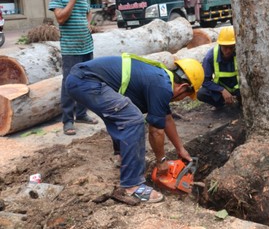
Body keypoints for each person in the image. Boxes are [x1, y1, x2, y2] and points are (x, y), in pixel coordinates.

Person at [65, 53, 204, 203]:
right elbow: (156, 130)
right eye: (184, 97)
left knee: (122, 113)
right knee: (133, 119)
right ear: (183, 87)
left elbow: (166, 118)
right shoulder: (161, 86)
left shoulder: (161, 79)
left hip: (81, 78)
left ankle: (122, 156)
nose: (180, 100)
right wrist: (161, 160)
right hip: (86, 81)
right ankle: (132, 186)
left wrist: (180, 149)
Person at [49, 0, 96, 135]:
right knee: (69, 83)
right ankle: (67, 120)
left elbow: (88, 12)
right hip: (70, 48)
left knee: (86, 81)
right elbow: (60, 18)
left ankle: (82, 114)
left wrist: (88, 24)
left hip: (86, 45)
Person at [197, 26, 241, 108]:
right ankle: (221, 104)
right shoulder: (210, 57)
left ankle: (242, 102)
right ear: (220, 44)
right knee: (201, 93)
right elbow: (205, 81)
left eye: (231, 47)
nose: (228, 51)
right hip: (221, 87)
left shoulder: (241, 53)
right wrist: (222, 90)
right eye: (225, 47)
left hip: (239, 88)